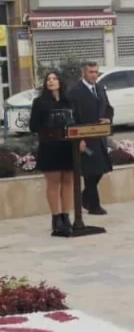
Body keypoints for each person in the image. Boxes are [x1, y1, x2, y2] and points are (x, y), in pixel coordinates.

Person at [28, 71, 75, 237]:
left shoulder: (69, 101)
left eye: (54, 78)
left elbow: (78, 121)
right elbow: (33, 126)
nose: (51, 81)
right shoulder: (40, 102)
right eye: (48, 79)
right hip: (50, 146)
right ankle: (56, 218)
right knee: (54, 182)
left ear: (60, 82)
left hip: (68, 146)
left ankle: (66, 216)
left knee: (68, 181)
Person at [66, 62, 113, 216]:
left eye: (96, 72)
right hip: (85, 139)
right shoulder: (75, 92)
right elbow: (72, 117)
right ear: (84, 73)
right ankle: (94, 205)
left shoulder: (99, 88)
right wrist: (79, 139)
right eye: (91, 72)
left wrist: (107, 118)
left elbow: (108, 108)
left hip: (99, 137)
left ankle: (85, 198)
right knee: (90, 171)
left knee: (101, 168)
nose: (94, 75)